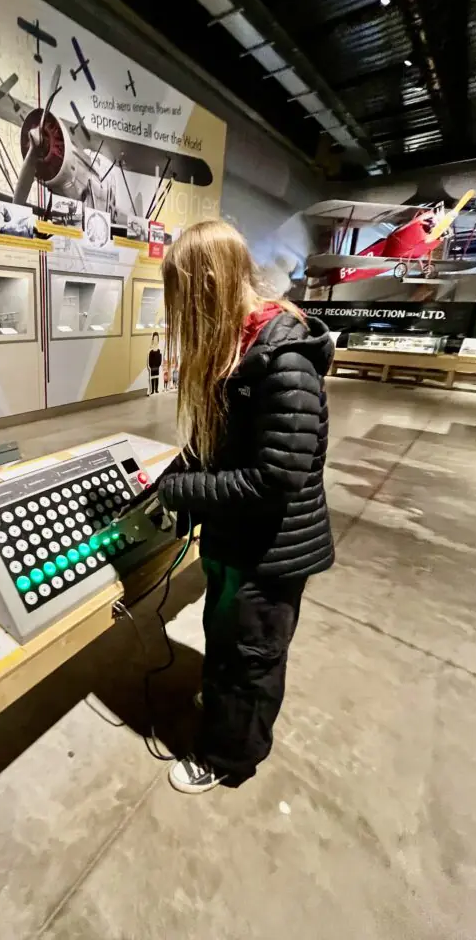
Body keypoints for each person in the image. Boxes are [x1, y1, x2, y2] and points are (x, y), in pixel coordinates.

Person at [156, 220, 334, 795]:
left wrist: (182, 493)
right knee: (226, 636)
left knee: (253, 656)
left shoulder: (283, 359)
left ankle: (229, 756)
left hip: (273, 551)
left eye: (183, 292)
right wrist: (168, 475)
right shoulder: (239, 347)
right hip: (239, 541)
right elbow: (220, 442)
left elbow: (275, 478)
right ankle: (226, 714)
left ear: (208, 283)